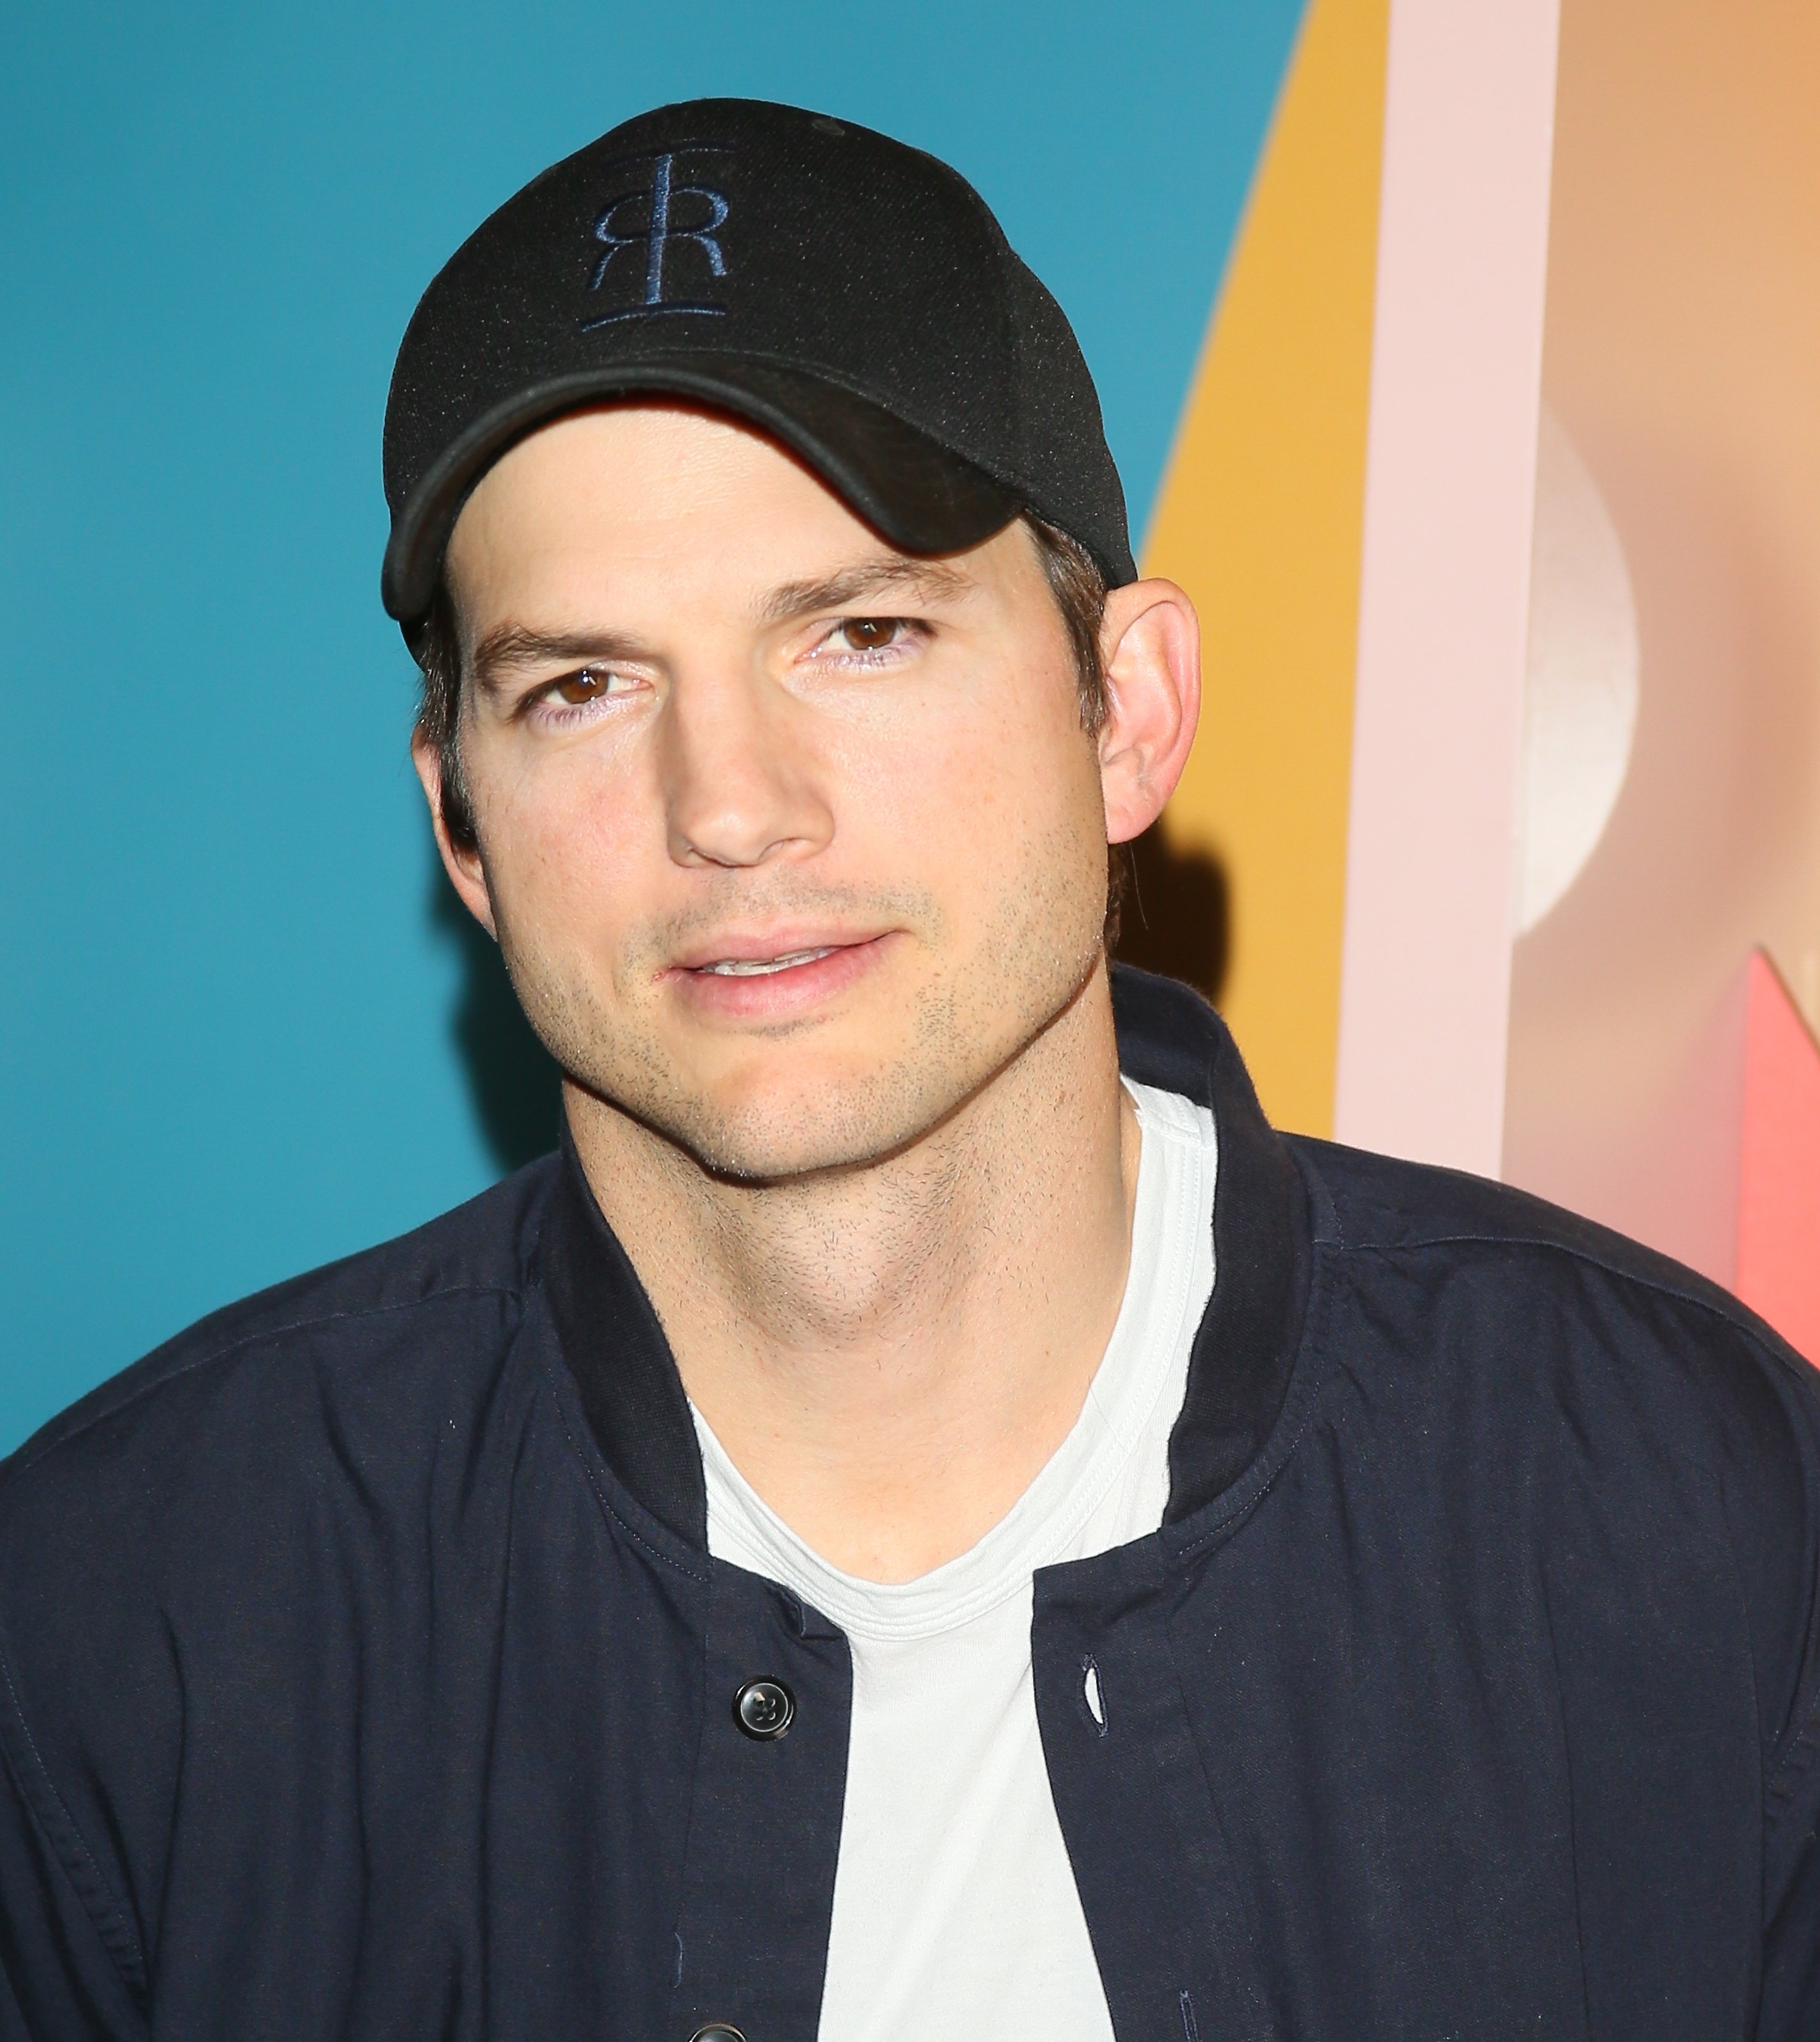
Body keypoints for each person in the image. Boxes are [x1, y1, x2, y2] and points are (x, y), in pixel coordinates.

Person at [3, 96, 1817, 2042]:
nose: (730, 809)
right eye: (585, 686)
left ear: (1125, 712)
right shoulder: (124, 1624)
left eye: (858, 634)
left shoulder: (1687, 1501)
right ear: (462, 828)